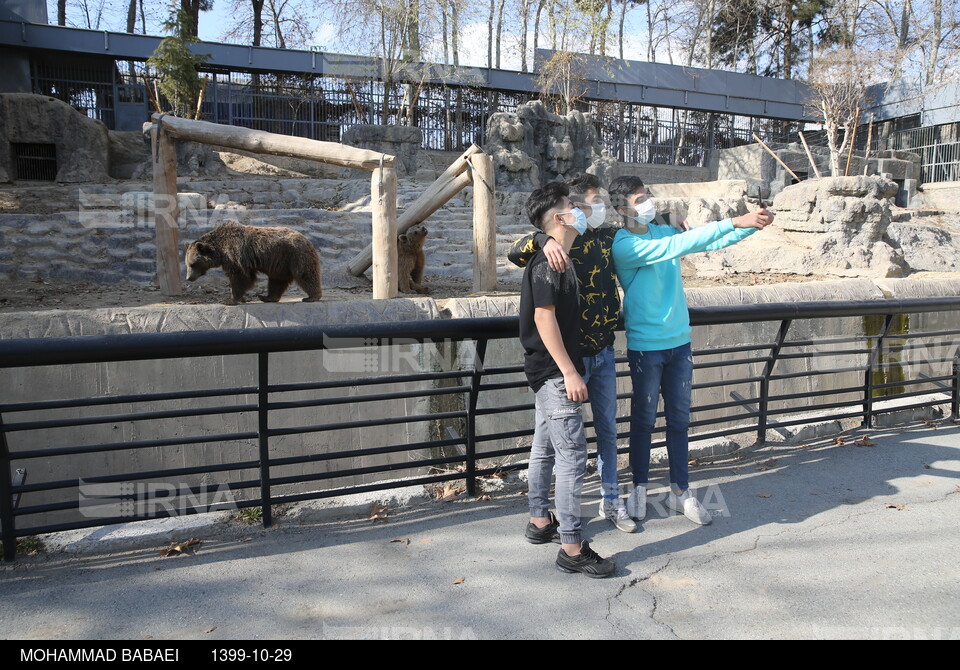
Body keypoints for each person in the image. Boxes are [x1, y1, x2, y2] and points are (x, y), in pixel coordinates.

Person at [609, 175, 773, 526]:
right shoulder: (623, 245)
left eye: (648, 195)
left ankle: (680, 491)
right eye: (640, 199)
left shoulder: (664, 231)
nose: (647, 203)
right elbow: (684, 243)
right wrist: (734, 220)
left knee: (680, 422)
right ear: (622, 209)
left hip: (679, 343)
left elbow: (703, 242)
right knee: (643, 421)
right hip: (645, 347)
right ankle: (638, 487)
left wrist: (751, 227)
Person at [509, 173, 635, 534]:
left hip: (600, 351)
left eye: (598, 204)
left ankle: (610, 502)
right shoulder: (553, 249)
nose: (592, 210)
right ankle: (563, 532)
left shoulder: (607, 237)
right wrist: (541, 239)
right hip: (565, 362)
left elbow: (645, 233)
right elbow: (514, 252)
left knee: (603, 431)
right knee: (557, 448)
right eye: (585, 204)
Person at [520, 181, 616, 578]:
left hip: (550, 370)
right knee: (573, 456)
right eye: (572, 205)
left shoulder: (564, 255)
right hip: (556, 372)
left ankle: (540, 520)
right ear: (560, 217)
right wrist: (571, 372)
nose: (580, 209)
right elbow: (543, 319)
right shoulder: (549, 262)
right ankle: (572, 547)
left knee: (544, 447)